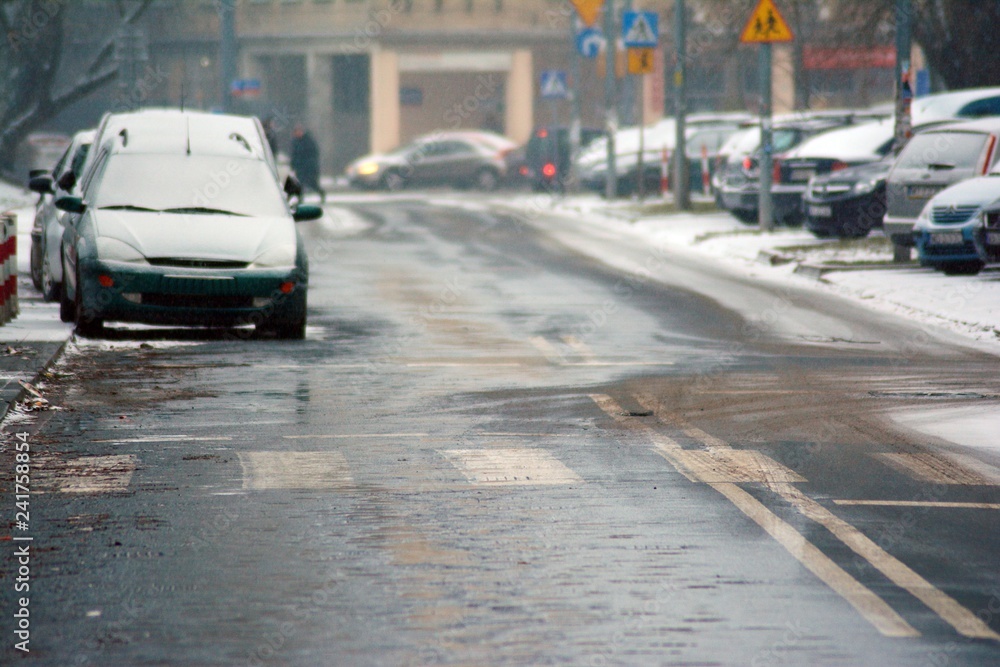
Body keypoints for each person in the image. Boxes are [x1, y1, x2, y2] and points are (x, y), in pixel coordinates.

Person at [290, 123, 323, 202]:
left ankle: (321, 193)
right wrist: (293, 165)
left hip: (309, 167)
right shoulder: (295, 142)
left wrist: (310, 163)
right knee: (300, 183)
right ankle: (300, 198)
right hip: (300, 167)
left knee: (312, 183)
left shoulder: (308, 141)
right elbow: (294, 155)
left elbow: (313, 153)